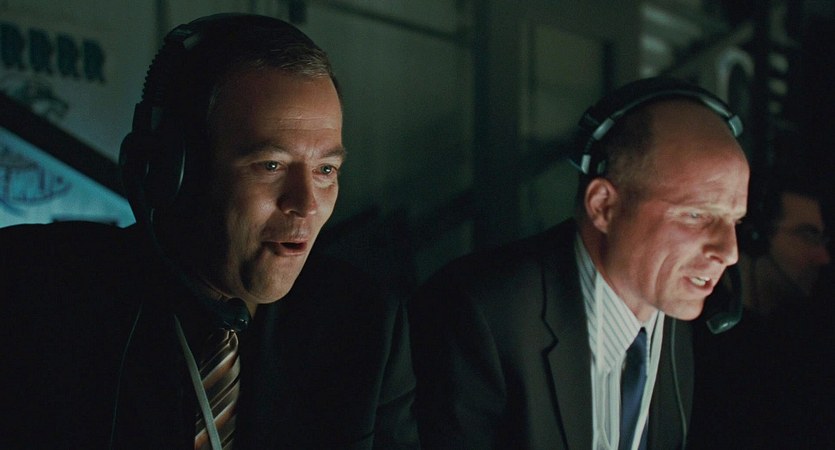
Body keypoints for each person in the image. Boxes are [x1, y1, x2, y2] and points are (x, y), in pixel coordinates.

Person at [0, 14, 418, 449]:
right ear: (174, 171)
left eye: (326, 170)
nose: (307, 203)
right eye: (271, 165)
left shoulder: (367, 326)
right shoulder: (32, 293)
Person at [409, 77, 749, 449]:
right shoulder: (479, 313)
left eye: (735, 221)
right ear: (604, 206)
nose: (729, 252)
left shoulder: (673, 312)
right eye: (697, 216)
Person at [689, 163, 833, 449]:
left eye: (822, 239)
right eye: (807, 235)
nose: (823, 257)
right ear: (754, 238)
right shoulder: (698, 335)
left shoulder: (803, 341)